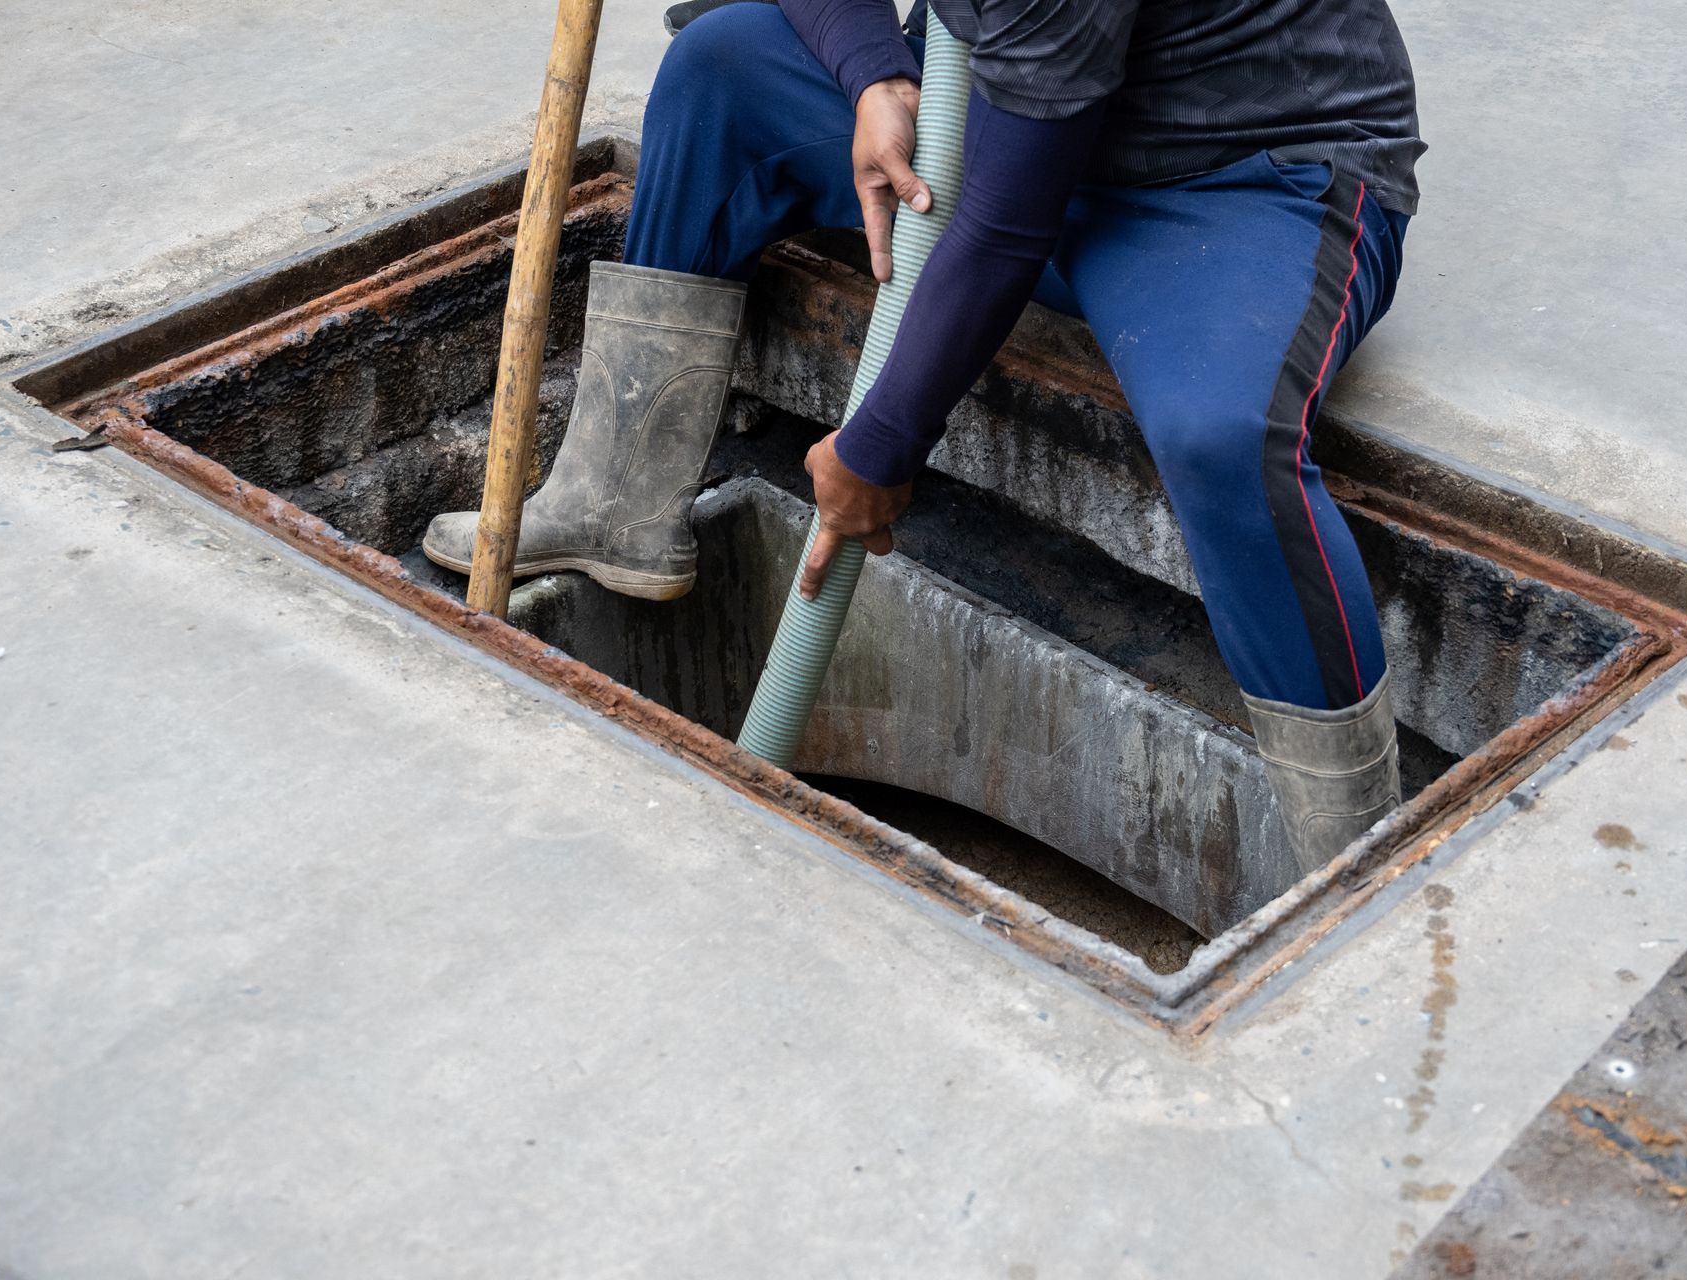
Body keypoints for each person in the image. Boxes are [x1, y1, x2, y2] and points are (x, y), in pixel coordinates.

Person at [423, 0, 1425, 873]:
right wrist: (874, 74)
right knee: (721, 68)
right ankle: (616, 505)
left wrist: (878, 448)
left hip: (1232, 179)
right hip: (1007, 122)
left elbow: (1003, 226)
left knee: (1222, 440)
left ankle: (1352, 861)